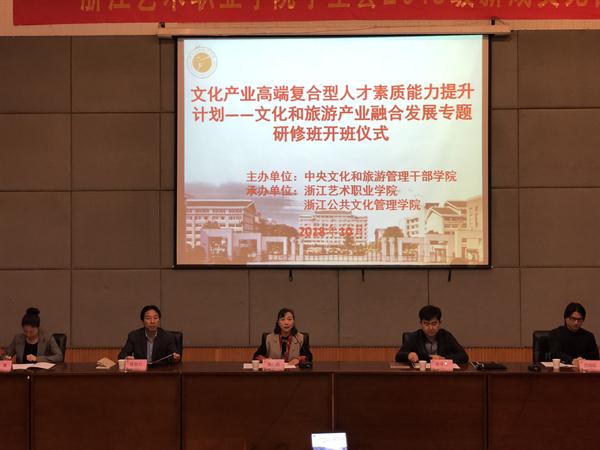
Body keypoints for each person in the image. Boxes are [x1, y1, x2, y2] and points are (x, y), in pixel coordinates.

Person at [395, 305, 468, 364]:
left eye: (434, 323)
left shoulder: (446, 336)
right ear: (421, 324)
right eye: (426, 324)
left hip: (442, 374)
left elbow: (463, 356)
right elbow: (398, 356)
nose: (430, 328)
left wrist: (444, 359)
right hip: (420, 375)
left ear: (439, 323)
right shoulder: (414, 337)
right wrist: (408, 355)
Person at [549, 302, 599, 366]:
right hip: (562, 370)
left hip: (584, 370)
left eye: (579, 319)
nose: (576, 322)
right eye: (573, 319)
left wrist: (584, 361)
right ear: (566, 318)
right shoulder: (556, 333)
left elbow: (595, 358)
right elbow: (555, 353)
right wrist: (572, 360)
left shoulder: (589, 336)